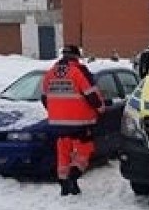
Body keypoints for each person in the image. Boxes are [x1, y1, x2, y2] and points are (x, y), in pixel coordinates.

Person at [42, 45, 104, 196]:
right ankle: (73, 175)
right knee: (84, 150)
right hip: (80, 122)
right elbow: (92, 96)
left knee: (63, 152)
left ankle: (65, 185)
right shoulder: (79, 71)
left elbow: (44, 98)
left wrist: (56, 112)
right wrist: (100, 109)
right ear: (76, 56)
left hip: (57, 123)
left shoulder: (50, 73)